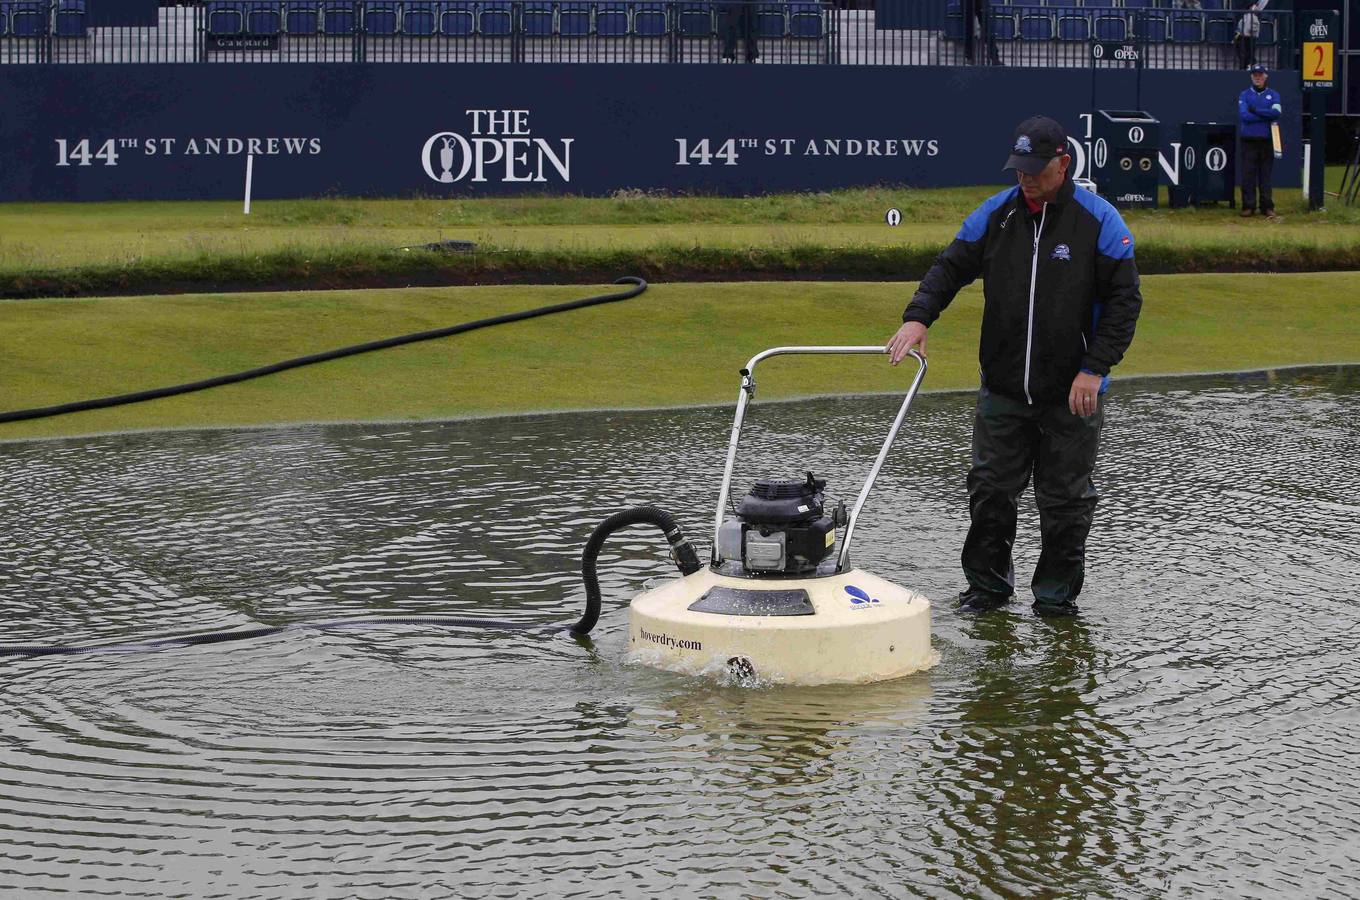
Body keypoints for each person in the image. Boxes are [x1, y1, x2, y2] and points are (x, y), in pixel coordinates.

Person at [886, 116, 1142, 618]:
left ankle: (1055, 600)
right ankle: (987, 589)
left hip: (1073, 392)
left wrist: (1094, 369)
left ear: (1063, 164)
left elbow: (1124, 303)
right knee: (990, 491)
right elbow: (949, 268)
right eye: (1019, 167)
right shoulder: (995, 214)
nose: (1025, 177)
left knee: (1065, 500)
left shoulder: (1100, 221)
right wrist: (918, 318)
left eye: (1036, 168)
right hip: (1003, 389)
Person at [1238, 63, 1282, 218]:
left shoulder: (1274, 95)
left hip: (1267, 139)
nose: (1257, 78)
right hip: (1249, 139)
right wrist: (1265, 115)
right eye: (1255, 75)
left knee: (1265, 175)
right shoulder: (1244, 95)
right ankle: (1248, 206)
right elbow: (1244, 116)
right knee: (1248, 174)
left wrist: (1256, 110)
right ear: (1251, 77)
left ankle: (1267, 206)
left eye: (1260, 75)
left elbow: (1276, 113)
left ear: (1265, 76)